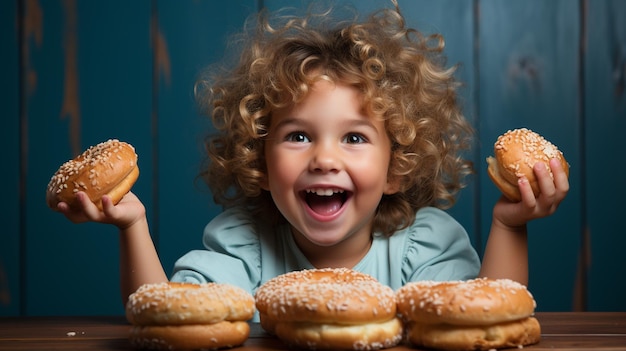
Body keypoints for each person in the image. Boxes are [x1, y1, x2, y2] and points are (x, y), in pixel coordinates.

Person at [57, 0, 568, 319]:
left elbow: (487, 313)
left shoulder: (422, 247)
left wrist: (509, 224)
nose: (325, 158)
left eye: (354, 139)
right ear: (260, 158)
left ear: (396, 170)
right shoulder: (244, 249)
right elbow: (163, 314)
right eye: (298, 136)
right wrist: (133, 226)